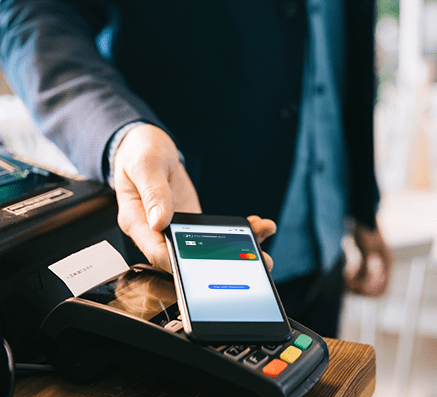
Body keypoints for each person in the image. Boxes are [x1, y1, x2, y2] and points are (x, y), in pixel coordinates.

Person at [0, 0, 392, 337]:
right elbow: (33, 14)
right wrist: (122, 132)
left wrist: (363, 209)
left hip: (326, 249)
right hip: (187, 255)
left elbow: (339, 51)